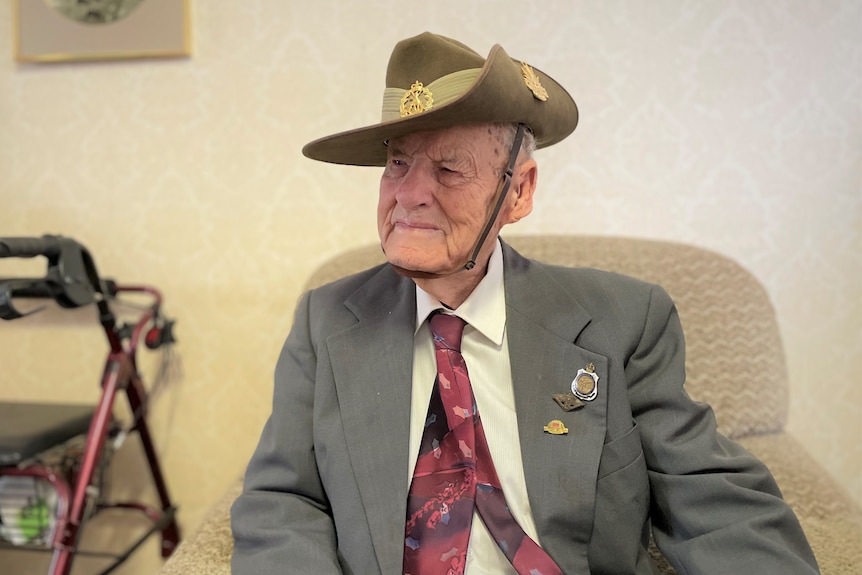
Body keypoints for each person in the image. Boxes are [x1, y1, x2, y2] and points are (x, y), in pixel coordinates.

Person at [231, 32, 819, 575]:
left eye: (449, 168)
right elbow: (283, 500)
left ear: (519, 191)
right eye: (398, 164)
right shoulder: (327, 321)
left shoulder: (624, 320)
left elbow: (713, 502)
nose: (409, 195)